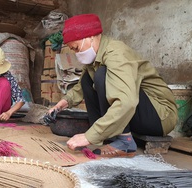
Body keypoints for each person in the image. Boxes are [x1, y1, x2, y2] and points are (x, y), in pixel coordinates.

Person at [46, 14, 178, 158]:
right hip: (140, 114)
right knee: (86, 79)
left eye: (77, 48)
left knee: (102, 75)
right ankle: (110, 136)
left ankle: (124, 141)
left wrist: (89, 136)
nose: (77, 54)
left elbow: (126, 102)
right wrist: (60, 105)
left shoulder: (116, 53)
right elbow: (80, 87)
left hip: (159, 117)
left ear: (91, 37)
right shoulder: (96, 57)